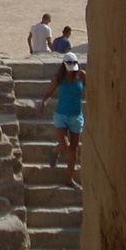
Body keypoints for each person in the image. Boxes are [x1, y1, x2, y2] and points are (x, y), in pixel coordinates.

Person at [37, 54, 87, 188]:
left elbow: (89, 89)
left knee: (74, 150)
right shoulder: (58, 78)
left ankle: (69, 179)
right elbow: (49, 93)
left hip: (76, 116)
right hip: (61, 115)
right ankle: (56, 151)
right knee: (64, 144)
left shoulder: (81, 76)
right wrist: (43, 106)